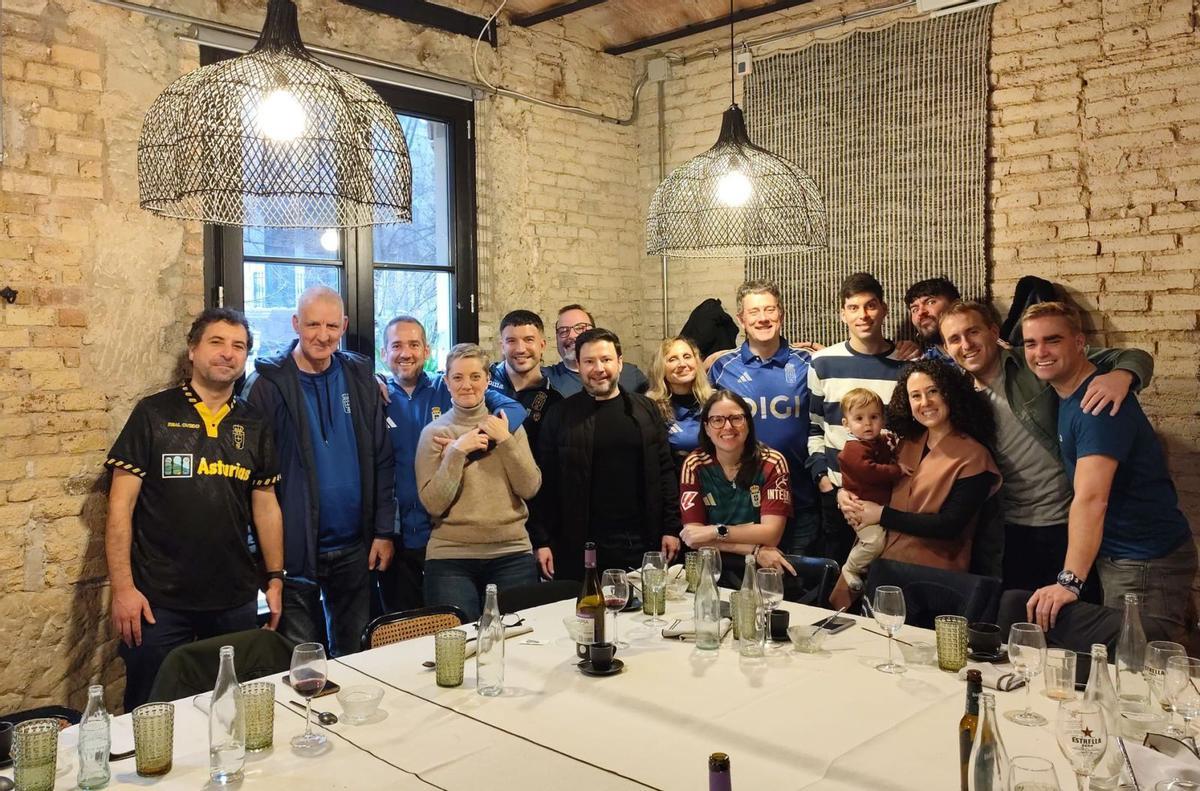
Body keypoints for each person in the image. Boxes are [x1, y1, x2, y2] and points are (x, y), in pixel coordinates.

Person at [105, 308, 284, 711]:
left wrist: (274, 577)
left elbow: (266, 505)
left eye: (238, 346)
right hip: (157, 603)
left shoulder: (254, 423)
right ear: (192, 350)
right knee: (151, 711)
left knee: (230, 710)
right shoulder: (153, 414)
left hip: (234, 599)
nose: (228, 353)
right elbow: (119, 507)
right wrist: (123, 589)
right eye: (216, 342)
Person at [939, 300, 1155, 596]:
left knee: (1076, 625)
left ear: (993, 331)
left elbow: (1133, 355)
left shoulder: (1033, 361)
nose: (966, 344)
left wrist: (1123, 376)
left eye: (972, 332)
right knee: (1021, 622)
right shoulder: (958, 397)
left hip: (1066, 521)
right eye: (954, 339)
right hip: (1010, 529)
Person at [1020, 302, 1195, 642]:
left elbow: (1091, 498)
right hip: (1124, 554)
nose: (1040, 352)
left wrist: (1068, 581)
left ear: (1080, 343)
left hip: (1144, 561)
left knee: (1138, 669)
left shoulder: (1097, 407)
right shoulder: (1071, 391)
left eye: (1052, 340)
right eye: (1030, 343)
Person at [245, 286, 395, 657]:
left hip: (355, 549)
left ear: (344, 325)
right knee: (304, 663)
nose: (322, 335)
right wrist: (263, 557)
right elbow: (250, 476)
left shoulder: (360, 377)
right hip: (294, 553)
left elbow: (382, 457)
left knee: (357, 658)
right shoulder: (266, 385)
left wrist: (383, 531)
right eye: (312, 324)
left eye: (331, 325)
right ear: (296, 323)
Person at [380, 315, 524, 611]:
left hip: (443, 531)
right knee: (405, 626)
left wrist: (469, 443)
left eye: (414, 344)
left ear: (427, 351)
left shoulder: (447, 386)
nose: (405, 353)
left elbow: (514, 410)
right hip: (397, 533)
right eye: (396, 345)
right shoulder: (373, 395)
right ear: (384, 354)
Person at [833, 360, 1001, 608]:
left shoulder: (974, 456)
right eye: (916, 395)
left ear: (950, 393)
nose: (925, 402)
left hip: (931, 578)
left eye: (933, 391)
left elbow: (950, 526)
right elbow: (871, 479)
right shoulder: (905, 444)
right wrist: (844, 495)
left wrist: (881, 514)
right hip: (879, 564)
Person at [535, 328, 682, 581]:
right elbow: (543, 483)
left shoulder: (645, 410)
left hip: (641, 542)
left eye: (606, 360)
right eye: (589, 361)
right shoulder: (560, 415)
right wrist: (542, 540)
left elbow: (665, 471)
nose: (598, 368)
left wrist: (671, 528)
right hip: (578, 544)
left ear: (620, 363)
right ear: (578, 366)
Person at [415, 344, 541, 621]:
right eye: (457, 377)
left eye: (475, 376)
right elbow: (434, 504)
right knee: (459, 647)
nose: (467, 385)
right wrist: (457, 452)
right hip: (450, 557)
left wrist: (505, 440)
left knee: (518, 644)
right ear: (446, 383)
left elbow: (529, 487)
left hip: (512, 552)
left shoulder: (508, 426)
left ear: (487, 380)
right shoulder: (434, 433)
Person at [708, 279, 820, 555]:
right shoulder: (721, 368)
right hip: (741, 504)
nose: (763, 319)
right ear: (741, 320)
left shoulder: (809, 363)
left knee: (796, 589)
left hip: (800, 500)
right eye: (754, 312)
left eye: (769, 310)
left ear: (780, 314)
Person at [807, 273, 908, 565]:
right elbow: (814, 427)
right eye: (853, 307)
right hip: (839, 498)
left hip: (890, 497)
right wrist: (826, 483)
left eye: (870, 306)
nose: (863, 315)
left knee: (885, 575)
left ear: (884, 309)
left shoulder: (907, 364)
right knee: (838, 574)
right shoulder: (822, 362)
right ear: (842, 314)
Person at [678, 390, 794, 580]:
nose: (728, 427)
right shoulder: (694, 464)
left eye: (736, 418)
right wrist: (753, 549)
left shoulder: (772, 462)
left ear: (748, 423)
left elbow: (771, 534)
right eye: (717, 420)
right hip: (713, 569)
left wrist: (714, 531)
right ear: (706, 428)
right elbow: (694, 537)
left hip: (765, 569)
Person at [836, 388, 911, 591]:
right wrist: (896, 470)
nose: (868, 424)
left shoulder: (877, 441)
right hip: (860, 507)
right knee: (874, 542)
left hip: (879, 506)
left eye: (874, 417)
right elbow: (870, 472)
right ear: (846, 424)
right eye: (859, 418)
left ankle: (866, 568)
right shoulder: (852, 449)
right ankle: (851, 568)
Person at [487, 309, 563, 453]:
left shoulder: (554, 402)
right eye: (511, 341)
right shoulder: (482, 379)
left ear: (542, 345)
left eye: (529, 340)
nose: (520, 349)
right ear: (502, 346)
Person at [543, 304, 649, 396]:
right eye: (563, 331)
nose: (572, 335)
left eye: (580, 328)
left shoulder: (631, 374)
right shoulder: (545, 378)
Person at [645, 336, 713, 474]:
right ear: (661, 368)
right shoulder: (652, 409)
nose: (682, 364)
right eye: (672, 359)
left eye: (687, 356)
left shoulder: (714, 402)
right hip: (676, 487)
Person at [904, 277, 961, 364]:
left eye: (930, 302)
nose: (921, 312)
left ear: (956, 305)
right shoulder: (924, 366)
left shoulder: (983, 348)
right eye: (914, 309)